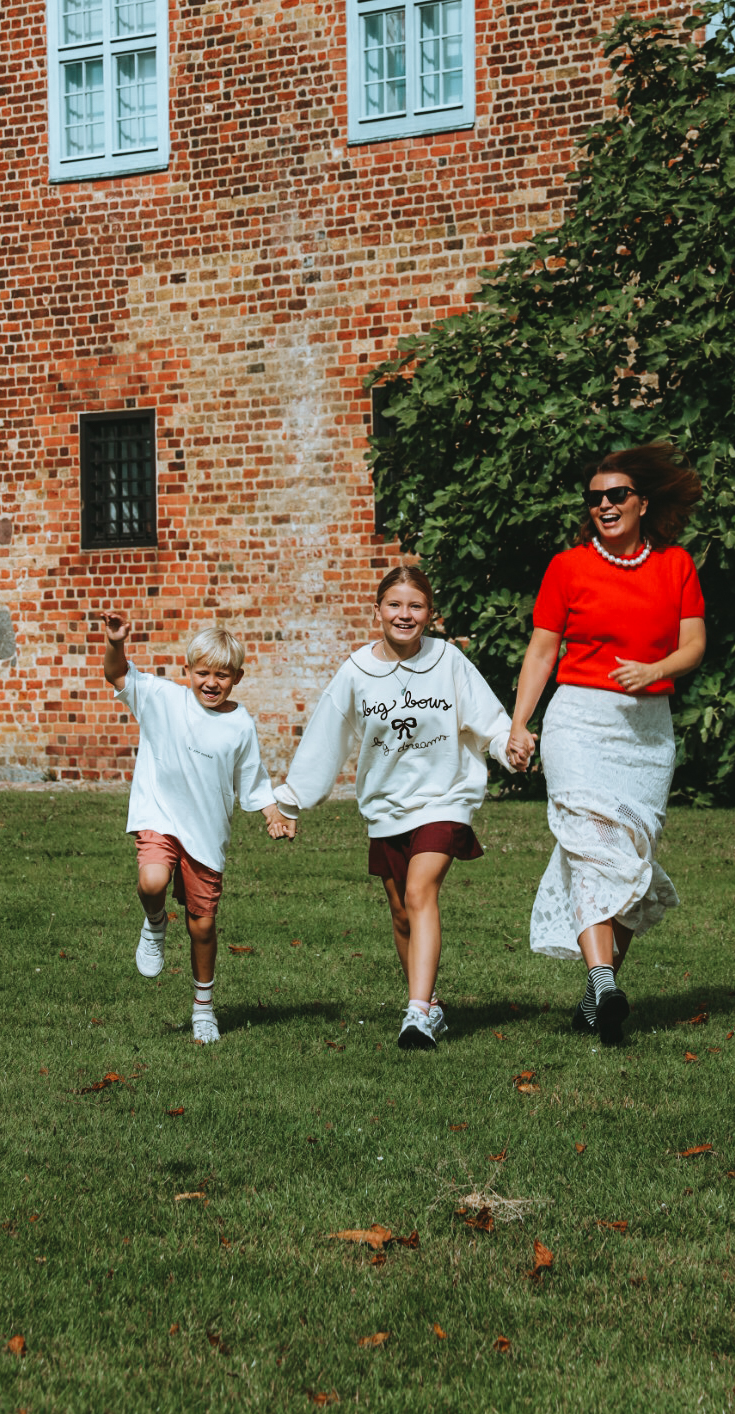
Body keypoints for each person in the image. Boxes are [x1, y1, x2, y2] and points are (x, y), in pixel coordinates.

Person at [505, 442, 706, 1047]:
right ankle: (601, 979)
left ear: (643, 502)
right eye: (596, 499)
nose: (606, 505)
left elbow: (694, 645)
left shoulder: (675, 565)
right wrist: (520, 724)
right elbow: (542, 651)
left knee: (629, 857)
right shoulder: (567, 567)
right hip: (580, 724)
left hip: (646, 731)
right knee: (592, 847)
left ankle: (598, 998)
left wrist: (655, 670)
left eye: (617, 495)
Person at [280, 566, 514, 1051]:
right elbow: (327, 737)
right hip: (386, 806)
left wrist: (508, 744)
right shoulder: (356, 671)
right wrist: (292, 799)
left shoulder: (448, 660)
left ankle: (418, 1015)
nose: (404, 615)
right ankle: (430, 1006)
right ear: (378, 610)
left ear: (430, 614)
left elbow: (488, 718)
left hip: (445, 798)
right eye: (395, 605)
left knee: (419, 890)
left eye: (415, 606)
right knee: (401, 913)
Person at [102, 615, 296, 1044]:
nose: (211, 682)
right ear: (187, 670)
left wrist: (272, 814)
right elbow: (116, 672)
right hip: (161, 816)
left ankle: (203, 1007)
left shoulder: (240, 724)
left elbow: (252, 778)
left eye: (221, 675)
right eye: (203, 672)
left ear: (237, 678)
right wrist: (116, 641)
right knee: (151, 881)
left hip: (206, 835)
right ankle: (154, 924)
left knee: (202, 927)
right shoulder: (162, 699)